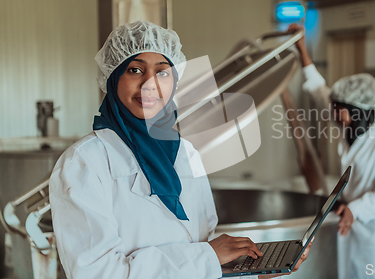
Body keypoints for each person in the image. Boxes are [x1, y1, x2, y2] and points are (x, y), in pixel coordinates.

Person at [49, 21, 311, 279]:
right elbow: (98, 273)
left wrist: (252, 271)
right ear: (113, 78)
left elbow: (204, 259)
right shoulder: (84, 162)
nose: (150, 84)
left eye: (162, 72)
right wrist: (208, 256)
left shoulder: (186, 153)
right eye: (135, 70)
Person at [288, 23, 375, 279]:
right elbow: (319, 91)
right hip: (353, 228)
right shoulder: (352, 124)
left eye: (339, 111)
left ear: (360, 110)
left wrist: (357, 209)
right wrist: (301, 48)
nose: (334, 116)